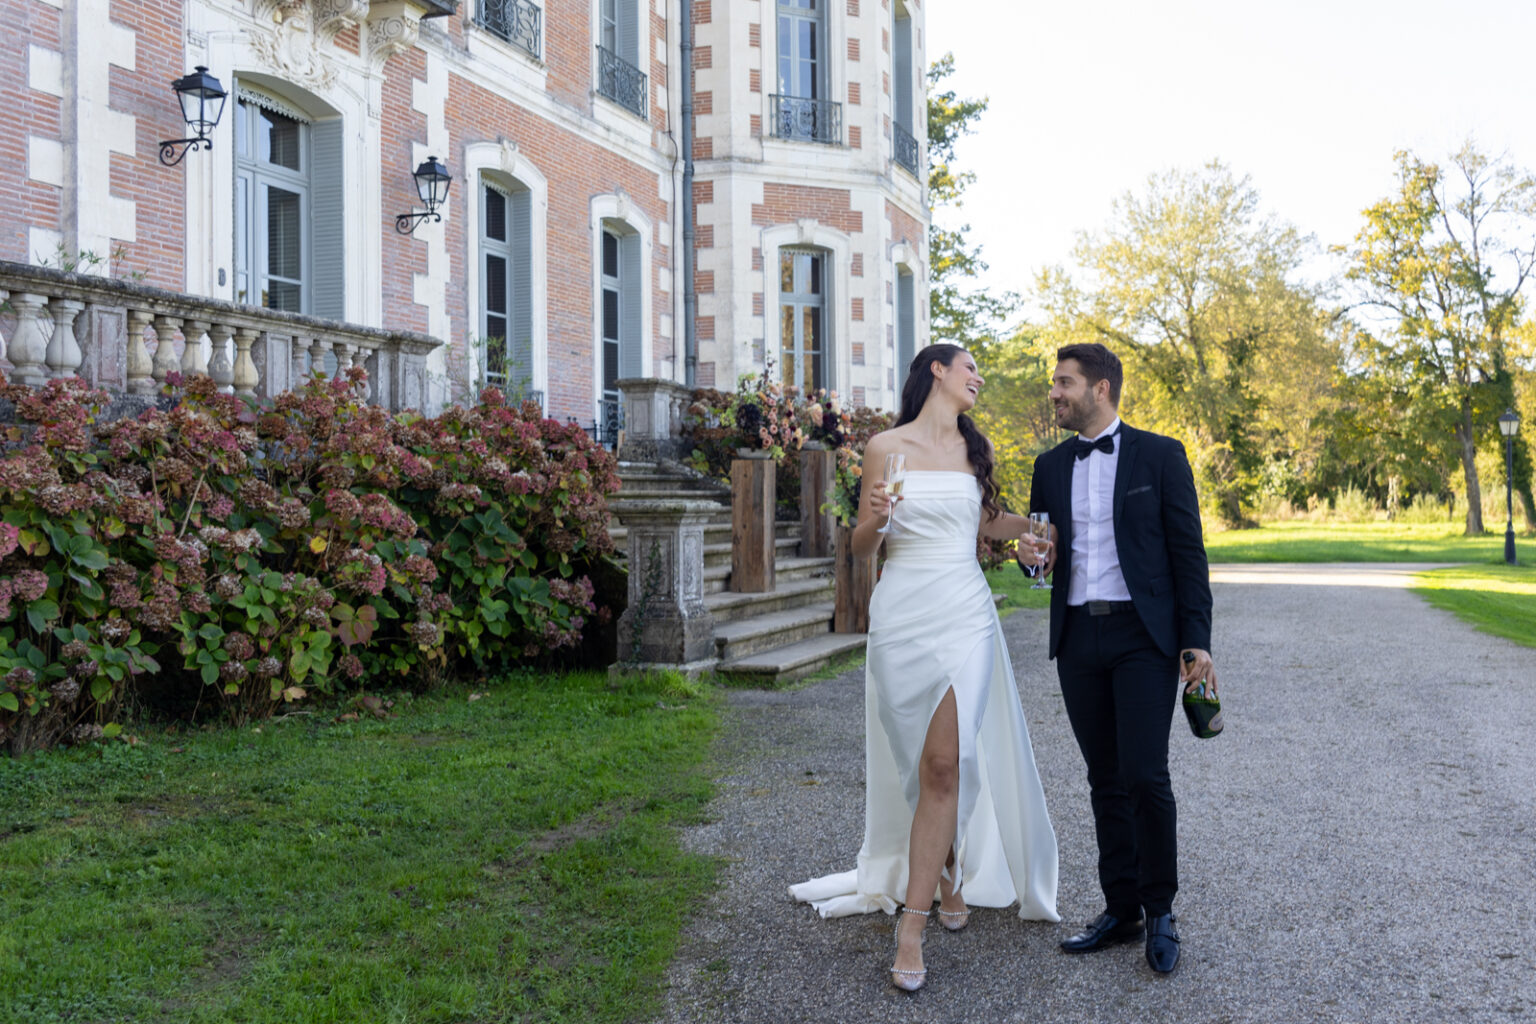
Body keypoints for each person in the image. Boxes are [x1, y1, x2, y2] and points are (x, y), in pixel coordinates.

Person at [790, 344, 1059, 993]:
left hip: (965, 612)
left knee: (946, 762)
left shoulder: (975, 449)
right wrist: (877, 520)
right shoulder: (886, 446)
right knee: (918, 757)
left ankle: (911, 928)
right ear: (936, 370)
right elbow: (859, 546)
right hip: (903, 611)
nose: (980, 377)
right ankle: (947, 867)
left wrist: (1041, 531)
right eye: (972, 367)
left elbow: (987, 522)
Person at [1020, 342, 1215, 975]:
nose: (1055, 393)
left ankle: (1161, 909)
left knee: (1143, 774)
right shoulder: (1048, 465)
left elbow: (1188, 555)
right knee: (1103, 778)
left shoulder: (1160, 455)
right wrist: (1031, 561)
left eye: (1064, 383)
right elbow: (1041, 558)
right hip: (1077, 636)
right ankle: (1121, 908)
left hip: (1142, 637)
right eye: (1056, 383)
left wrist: (1197, 641)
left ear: (1100, 388)